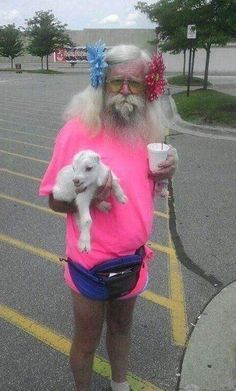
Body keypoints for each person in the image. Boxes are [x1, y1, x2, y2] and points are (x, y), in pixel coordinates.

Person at [39, 42, 178, 391]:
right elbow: (54, 202)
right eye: (118, 83)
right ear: (102, 83)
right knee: (86, 341)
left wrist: (168, 172)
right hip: (89, 265)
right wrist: (83, 199)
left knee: (122, 329)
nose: (127, 91)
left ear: (149, 87)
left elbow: (149, 186)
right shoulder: (76, 132)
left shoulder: (149, 131)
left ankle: (120, 385)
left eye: (136, 83)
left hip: (133, 259)